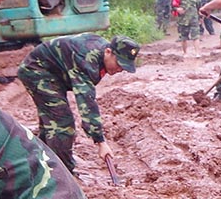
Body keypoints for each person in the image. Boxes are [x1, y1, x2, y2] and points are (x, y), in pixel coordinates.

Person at [14, 34, 140, 178]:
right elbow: (86, 103)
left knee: (51, 124)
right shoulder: (87, 60)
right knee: (62, 125)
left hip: (54, 74)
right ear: (108, 52)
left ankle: (37, 165)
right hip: (36, 71)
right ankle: (62, 175)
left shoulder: (100, 54)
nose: (120, 69)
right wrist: (100, 141)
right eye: (119, 63)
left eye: (125, 67)